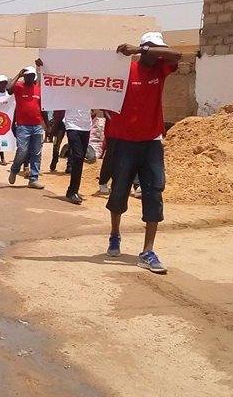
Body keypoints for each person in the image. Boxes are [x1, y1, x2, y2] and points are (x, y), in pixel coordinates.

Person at [105, 32, 181, 274]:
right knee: (119, 191)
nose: (159, 54)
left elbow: (178, 55)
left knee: (154, 193)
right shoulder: (124, 71)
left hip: (151, 142)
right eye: (154, 49)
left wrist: (143, 50)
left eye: (159, 50)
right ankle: (115, 234)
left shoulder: (161, 69)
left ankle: (148, 251)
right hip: (123, 141)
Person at [7, 63, 45, 189]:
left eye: (31, 75)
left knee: (36, 153)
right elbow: (8, 89)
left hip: (37, 125)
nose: (29, 77)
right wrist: (18, 75)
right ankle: (15, 169)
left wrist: (48, 126)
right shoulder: (19, 87)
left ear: (34, 76)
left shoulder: (39, 89)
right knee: (22, 151)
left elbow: (42, 108)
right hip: (23, 126)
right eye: (27, 75)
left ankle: (33, 179)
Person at [62, 108, 93, 204]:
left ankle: (73, 190)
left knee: (80, 159)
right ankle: (72, 191)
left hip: (86, 126)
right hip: (72, 125)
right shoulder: (69, 92)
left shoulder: (91, 93)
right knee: (78, 156)